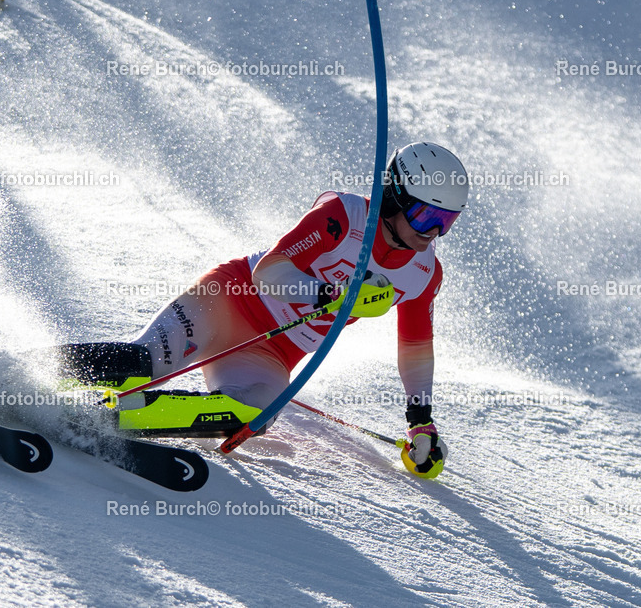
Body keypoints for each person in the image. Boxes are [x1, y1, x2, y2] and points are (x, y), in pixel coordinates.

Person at [55, 142, 468, 478]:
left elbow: (415, 348)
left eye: (445, 222)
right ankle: (26, 377)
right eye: (424, 215)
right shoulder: (343, 216)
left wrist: (420, 420)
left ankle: (108, 416)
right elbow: (270, 272)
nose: (431, 233)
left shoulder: (423, 274)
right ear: (394, 194)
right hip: (228, 301)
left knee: (254, 413)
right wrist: (329, 295)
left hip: (271, 353)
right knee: (145, 363)